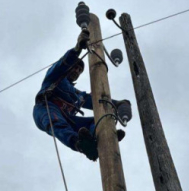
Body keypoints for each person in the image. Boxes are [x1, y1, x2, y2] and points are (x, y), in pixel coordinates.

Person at [33, 29, 131, 161]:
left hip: (68, 117)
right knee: (58, 122)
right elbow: (61, 64)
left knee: (99, 119)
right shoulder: (55, 77)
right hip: (47, 107)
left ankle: (100, 140)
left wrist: (117, 104)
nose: (77, 71)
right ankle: (79, 144)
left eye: (80, 70)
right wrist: (77, 49)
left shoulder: (77, 95)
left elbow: (95, 100)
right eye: (75, 67)